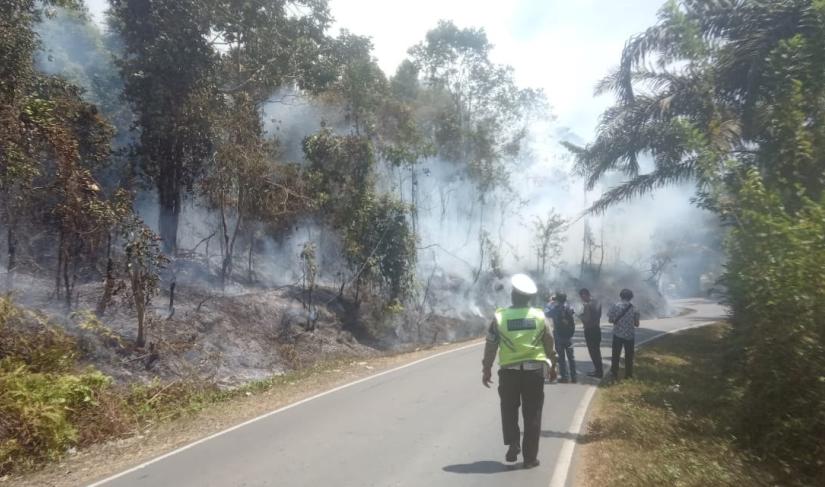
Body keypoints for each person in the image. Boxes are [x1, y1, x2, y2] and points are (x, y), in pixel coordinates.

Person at [482, 274, 558, 469]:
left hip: (509, 373)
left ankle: (513, 442)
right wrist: (554, 365)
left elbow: (491, 345)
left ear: (513, 296)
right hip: (534, 373)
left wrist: (487, 369)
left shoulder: (499, 317)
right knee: (532, 414)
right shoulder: (540, 316)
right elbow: (549, 342)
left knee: (508, 409)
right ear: (529, 298)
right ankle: (530, 458)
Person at [607, 288, 641, 381]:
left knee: (615, 355)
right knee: (629, 356)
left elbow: (610, 320)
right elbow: (637, 324)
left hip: (617, 335)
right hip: (630, 336)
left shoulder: (615, 306)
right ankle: (628, 375)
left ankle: (614, 374)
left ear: (620, 296)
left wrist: (617, 321)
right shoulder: (634, 308)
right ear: (631, 297)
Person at [545, 292, 577, 383]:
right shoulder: (570, 308)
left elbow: (546, 313)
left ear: (557, 299)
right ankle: (574, 377)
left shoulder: (555, 309)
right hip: (569, 335)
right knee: (571, 358)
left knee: (561, 358)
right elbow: (573, 316)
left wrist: (550, 303)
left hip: (559, 336)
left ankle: (565, 377)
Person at [578, 288, 603, 378]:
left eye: (581, 297)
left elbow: (586, 319)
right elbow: (599, 315)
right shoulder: (598, 302)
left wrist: (580, 316)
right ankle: (599, 370)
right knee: (597, 351)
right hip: (597, 329)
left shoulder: (587, 305)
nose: (581, 299)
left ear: (584, 295)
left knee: (593, 352)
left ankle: (598, 372)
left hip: (590, 330)